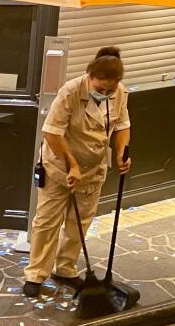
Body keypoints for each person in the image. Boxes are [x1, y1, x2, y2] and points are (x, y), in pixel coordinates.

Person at [23, 46, 131, 298]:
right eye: (99, 88)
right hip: (59, 165)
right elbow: (52, 132)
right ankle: (36, 273)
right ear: (89, 76)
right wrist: (71, 163)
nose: (104, 93)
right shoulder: (71, 91)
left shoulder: (120, 93)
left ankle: (66, 268)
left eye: (109, 90)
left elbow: (123, 125)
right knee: (47, 221)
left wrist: (120, 153)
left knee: (79, 223)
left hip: (93, 168)